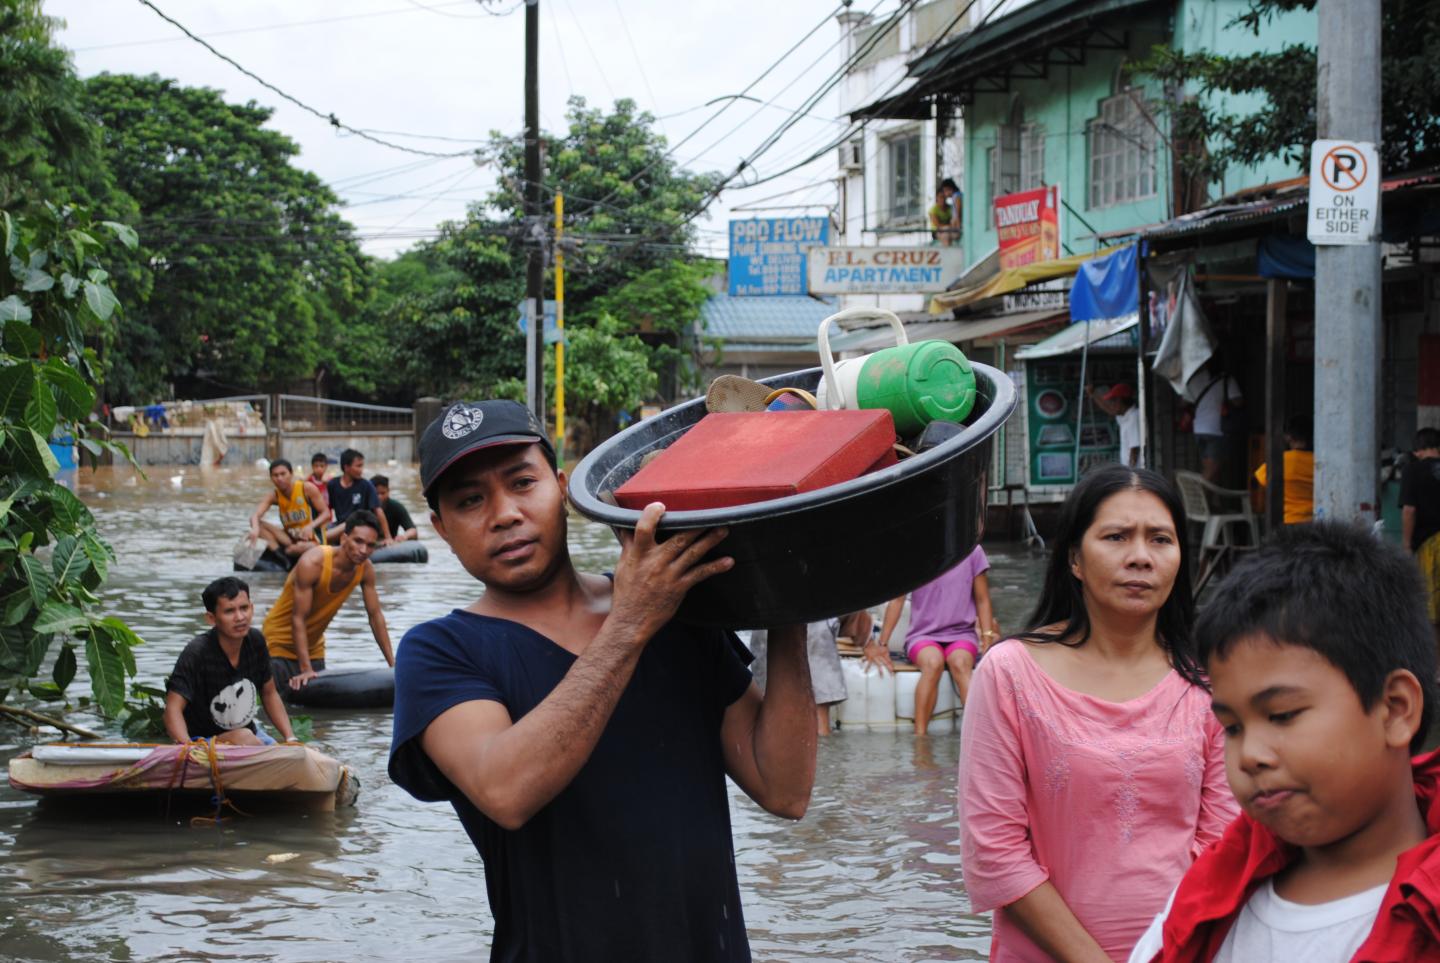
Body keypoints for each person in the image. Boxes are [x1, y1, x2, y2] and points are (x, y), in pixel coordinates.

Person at [387, 400, 818, 961]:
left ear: (563, 488)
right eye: (470, 500)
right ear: (441, 529)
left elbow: (784, 789)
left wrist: (792, 600)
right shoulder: (441, 651)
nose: (505, 514)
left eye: (522, 482)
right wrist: (632, 620)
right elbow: (506, 789)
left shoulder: (674, 607)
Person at [959, 465, 1239, 963]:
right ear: (1074, 559)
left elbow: (1226, 845)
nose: (1140, 557)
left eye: (1160, 539)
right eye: (1116, 537)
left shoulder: (1208, 684)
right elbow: (995, 854)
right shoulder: (1010, 673)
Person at [1128, 522, 1440, 963]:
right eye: (1232, 728)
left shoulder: (1428, 919)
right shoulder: (1209, 898)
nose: (1250, 756)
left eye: (1282, 715)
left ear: (1394, 709)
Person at [868, 544, 999, 734]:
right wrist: (883, 643)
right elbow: (897, 601)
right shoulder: (913, 553)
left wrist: (987, 638)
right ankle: (920, 738)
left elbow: (982, 599)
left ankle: (978, 736)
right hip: (923, 635)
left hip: (962, 633)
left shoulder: (972, 551)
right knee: (932, 663)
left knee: (960, 663)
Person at [262, 510, 395, 691]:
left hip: (313, 647)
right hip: (278, 643)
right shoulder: (313, 563)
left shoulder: (366, 570)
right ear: (343, 538)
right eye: (358, 541)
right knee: (282, 706)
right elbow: (298, 618)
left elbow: (375, 616)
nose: (364, 550)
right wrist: (305, 669)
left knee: (317, 717)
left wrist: (393, 666)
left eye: (370, 545)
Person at [164, 576, 297, 745]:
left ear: (252, 608)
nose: (240, 617)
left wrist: (290, 737)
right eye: (229, 611)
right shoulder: (197, 652)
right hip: (203, 743)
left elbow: (269, 693)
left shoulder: (256, 641)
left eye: (244, 608)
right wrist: (189, 749)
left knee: (304, 754)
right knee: (245, 738)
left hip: (250, 735)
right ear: (211, 618)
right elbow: (173, 709)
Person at [751, 611, 872, 736]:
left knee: (771, 708)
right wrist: (870, 643)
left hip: (768, 629)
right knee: (818, 707)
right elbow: (856, 612)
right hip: (814, 630)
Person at [246, 458, 331, 559]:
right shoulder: (274, 495)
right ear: (271, 478)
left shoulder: (306, 488)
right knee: (258, 524)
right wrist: (255, 530)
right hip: (290, 538)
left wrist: (310, 526)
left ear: (291, 474)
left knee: (293, 549)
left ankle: (286, 554)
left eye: (283, 474)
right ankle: (280, 556)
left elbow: (326, 514)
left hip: (312, 539)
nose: (280, 478)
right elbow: (255, 515)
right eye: (275, 475)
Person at [1401, 426, 1440, 634]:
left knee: (1430, 608)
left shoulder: (1412, 471)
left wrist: (1407, 546)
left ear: (1417, 451)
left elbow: (1409, 511)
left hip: (1429, 545)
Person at [1185, 360, 1243, 484]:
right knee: (1211, 471)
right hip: (1216, 430)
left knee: (1211, 472)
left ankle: (1209, 503)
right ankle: (1194, 497)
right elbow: (1238, 401)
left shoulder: (1194, 379)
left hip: (1199, 429)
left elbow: (1184, 402)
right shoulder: (1227, 380)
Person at [1253, 414, 1315, 524]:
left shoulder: (1279, 461)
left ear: (1288, 437)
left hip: (1286, 521)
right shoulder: (1320, 463)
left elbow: (1259, 484)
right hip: (1316, 521)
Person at [324, 449, 392, 544]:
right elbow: (326, 510)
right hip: (340, 525)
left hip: (360, 525)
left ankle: (320, 540)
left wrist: (388, 537)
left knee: (343, 527)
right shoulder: (332, 485)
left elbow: (378, 511)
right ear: (346, 467)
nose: (361, 470)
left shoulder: (366, 485)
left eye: (362, 466)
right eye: (358, 466)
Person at [1089, 382, 1142, 468]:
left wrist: (1130, 473)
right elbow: (1109, 410)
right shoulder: (1125, 416)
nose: (1111, 405)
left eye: (1113, 401)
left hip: (1135, 472)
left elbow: (1134, 450)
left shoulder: (1134, 417)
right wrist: (1093, 395)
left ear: (1119, 400)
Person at [372, 474, 419, 543]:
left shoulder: (396, 507)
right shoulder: (364, 506)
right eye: (376, 494)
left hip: (390, 543)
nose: (379, 497)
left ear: (388, 491)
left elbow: (412, 531)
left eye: (383, 493)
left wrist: (403, 537)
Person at [308, 451, 332, 516]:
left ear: (326, 466)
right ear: (312, 467)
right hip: (312, 512)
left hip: (327, 512)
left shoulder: (330, 480)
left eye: (322, 466)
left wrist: (327, 483)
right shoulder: (309, 480)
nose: (319, 469)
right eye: (316, 466)